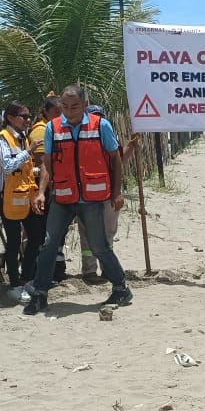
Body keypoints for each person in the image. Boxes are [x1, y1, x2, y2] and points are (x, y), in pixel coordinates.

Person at [24, 85, 131, 314]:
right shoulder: (53, 128)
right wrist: (42, 192)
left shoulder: (100, 125)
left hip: (91, 197)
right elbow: (47, 163)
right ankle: (40, 293)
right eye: (65, 106)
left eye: (75, 106)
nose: (69, 111)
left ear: (84, 105)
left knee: (99, 246)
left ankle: (121, 287)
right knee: (48, 245)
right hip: (63, 197)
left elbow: (116, 159)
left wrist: (117, 191)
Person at [0, 102, 44, 302]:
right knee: (14, 242)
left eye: (28, 116)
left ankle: (27, 278)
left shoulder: (22, 138)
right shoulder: (3, 139)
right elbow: (8, 166)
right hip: (8, 200)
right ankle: (15, 284)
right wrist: (29, 151)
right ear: (10, 117)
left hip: (25, 198)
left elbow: (24, 169)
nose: (27, 120)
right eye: (23, 116)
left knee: (36, 237)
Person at [78, 104, 140, 280]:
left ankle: (106, 268)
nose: (98, 120)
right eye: (95, 117)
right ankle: (89, 270)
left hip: (108, 193)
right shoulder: (79, 140)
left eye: (100, 116)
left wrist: (130, 146)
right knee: (87, 232)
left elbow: (119, 162)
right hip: (86, 195)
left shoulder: (108, 136)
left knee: (108, 232)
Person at [28, 95, 66, 286]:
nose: (61, 116)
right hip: (42, 191)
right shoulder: (41, 131)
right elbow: (44, 163)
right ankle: (43, 274)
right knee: (44, 234)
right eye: (56, 113)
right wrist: (44, 191)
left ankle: (55, 272)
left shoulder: (54, 128)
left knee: (55, 233)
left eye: (62, 112)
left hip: (53, 189)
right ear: (46, 112)